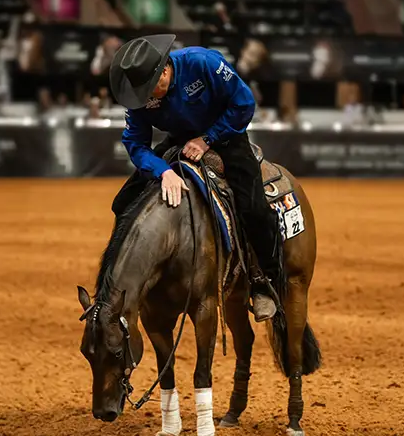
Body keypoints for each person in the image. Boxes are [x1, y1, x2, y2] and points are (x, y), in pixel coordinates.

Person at [106, 33, 284, 321]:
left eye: (154, 89)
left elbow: (243, 104)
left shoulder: (203, 63)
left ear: (164, 69)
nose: (149, 98)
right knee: (122, 203)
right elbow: (136, 144)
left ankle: (265, 281)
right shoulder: (140, 93)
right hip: (179, 142)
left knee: (254, 209)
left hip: (226, 137)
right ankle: (117, 282)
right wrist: (162, 171)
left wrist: (207, 139)